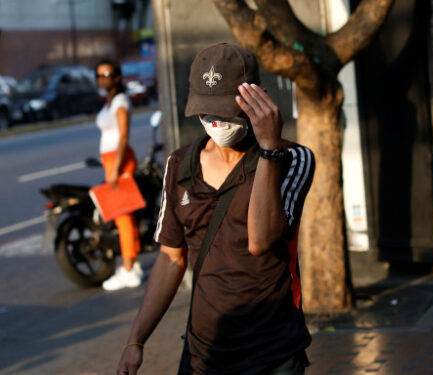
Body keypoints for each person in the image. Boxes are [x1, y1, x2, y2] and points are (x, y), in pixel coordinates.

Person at [116, 43, 315, 374]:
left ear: (258, 99)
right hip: (203, 355)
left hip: (272, 354)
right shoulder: (179, 166)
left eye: (226, 110)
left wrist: (268, 149)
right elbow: (170, 258)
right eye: (207, 110)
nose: (216, 121)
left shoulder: (293, 160)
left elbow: (260, 240)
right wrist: (136, 341)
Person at [95, 60, 143, 291]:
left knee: (122, 215)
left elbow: (123, 136)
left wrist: (115, 169)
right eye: (99, 75)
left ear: (117, 77)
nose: (102, 78)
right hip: (111, 159)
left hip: (119, 160)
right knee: (124, 214)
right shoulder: (109, 103)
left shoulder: (121, 101)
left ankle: (127, 269)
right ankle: (132, 265)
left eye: (107, 74)